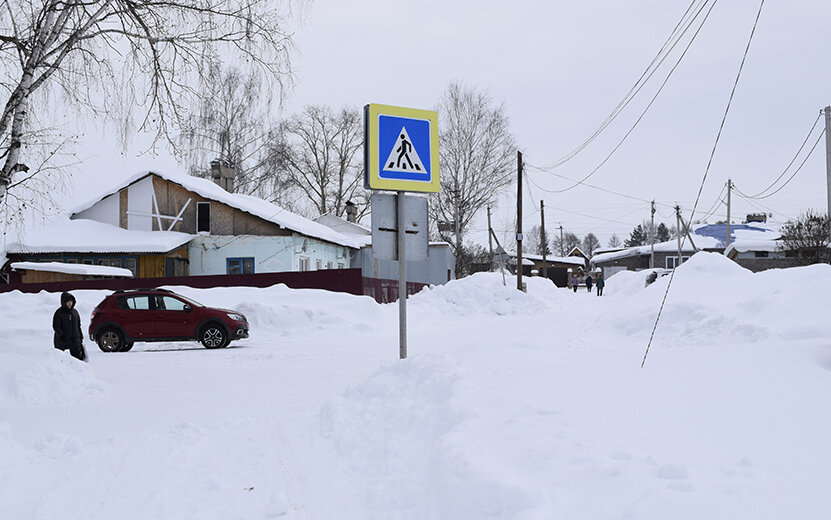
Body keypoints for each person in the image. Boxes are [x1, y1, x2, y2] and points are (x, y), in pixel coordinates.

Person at [53, 291, 87, 361]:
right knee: (60, 360)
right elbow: (56, 326)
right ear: (63, 302)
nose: (69, 304)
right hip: (62, 340)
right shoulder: (59, 313)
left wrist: (80, 336)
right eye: (67, 302)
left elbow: (78, 326)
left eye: (71, 302)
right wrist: (61, 336)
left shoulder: (75, 312)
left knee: (77, 360)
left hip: (74, 340)